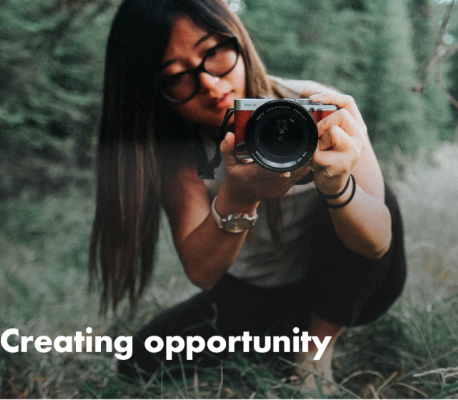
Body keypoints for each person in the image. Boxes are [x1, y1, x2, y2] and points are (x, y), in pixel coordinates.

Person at [88, 0, 406, 393]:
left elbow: (377, 243)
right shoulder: (179, 152)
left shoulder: (316, 106)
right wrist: (240, 196)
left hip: (345, 285)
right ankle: (277, 346)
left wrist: (336, 185)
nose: (208, 82)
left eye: (215, 52)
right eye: (176, 78)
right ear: (155, 92)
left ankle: (316, 352)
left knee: (368, 198)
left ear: (237, 37)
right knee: (138, 362)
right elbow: (203, 273)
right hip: (257, 294)